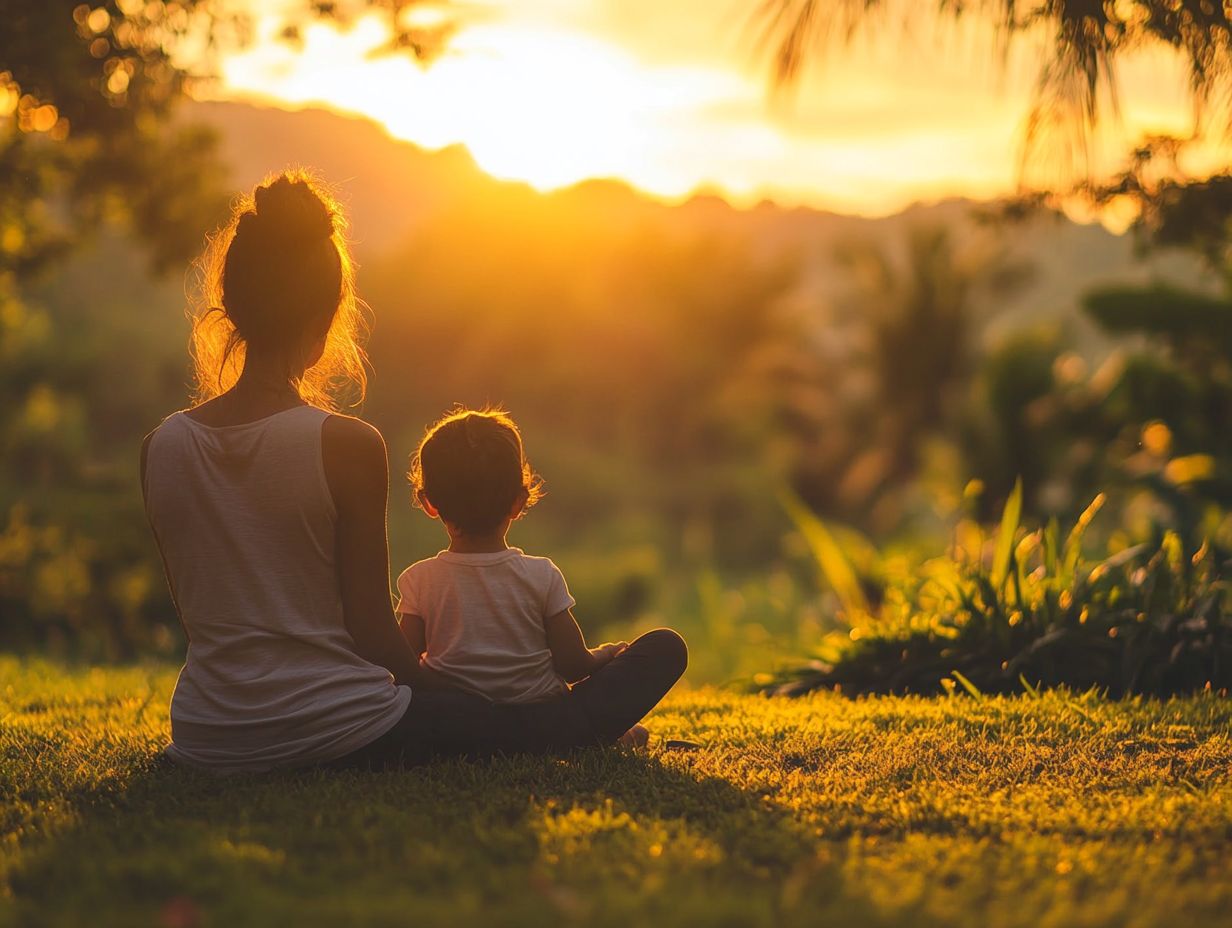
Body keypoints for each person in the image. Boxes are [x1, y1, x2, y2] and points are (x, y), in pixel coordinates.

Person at [140, 170, 686, 772]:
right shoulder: (344, 443)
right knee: (535, 713)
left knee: (487, 718)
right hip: (341, 727)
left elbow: (208, 613)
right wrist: (454, 693)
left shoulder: (162, 446)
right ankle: (568, 729)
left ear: (231, 307)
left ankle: (548, 725)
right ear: (327, 317)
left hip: (206, 733)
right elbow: (373, 633)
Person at [397, 408, 686, 748]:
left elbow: (403, 666)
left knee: (417, 706)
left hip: (459, 724)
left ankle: (535, 738)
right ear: (518, 502)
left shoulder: (419, 579)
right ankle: (592, 733)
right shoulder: (541, 575)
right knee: (666, 647)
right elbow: (573, 664)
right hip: (546, 720)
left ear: (429, 502)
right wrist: (607, 655)